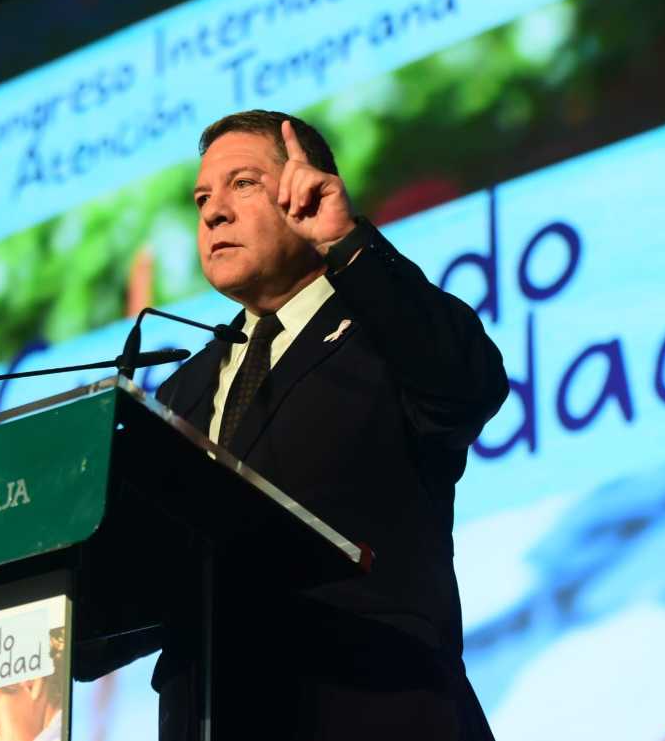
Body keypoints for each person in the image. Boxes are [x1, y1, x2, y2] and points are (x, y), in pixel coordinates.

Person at [150, 110, 508, 740]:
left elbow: (466, 384)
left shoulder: (382, 329)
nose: (212, 213)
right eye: (203, 197)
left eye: (243, 185)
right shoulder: (182, 388)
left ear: (305, 188)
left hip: (375, 711)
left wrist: (348, 244)